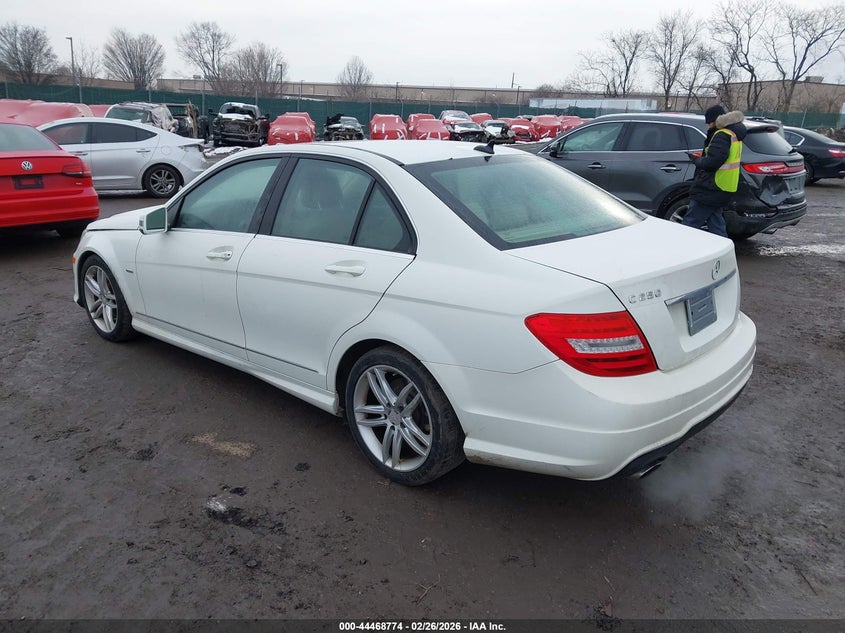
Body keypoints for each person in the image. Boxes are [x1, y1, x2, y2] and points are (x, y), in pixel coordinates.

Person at [683, 105, 747, 238]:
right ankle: (723, 250)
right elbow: (721, 158)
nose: (707, 126)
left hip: (711, 186)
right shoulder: (734, 134)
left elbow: (712, 163)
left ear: (716, 121)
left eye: (709, 123)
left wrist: (696, 160)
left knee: (690, 224)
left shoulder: (722, 135)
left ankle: (680, 252)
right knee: (716, 224)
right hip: (724, 186)